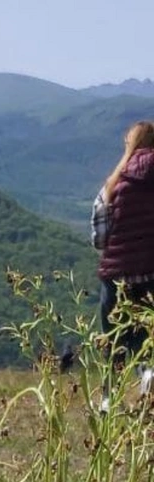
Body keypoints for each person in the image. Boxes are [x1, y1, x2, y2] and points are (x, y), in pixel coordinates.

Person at [93, 121, 154, 370]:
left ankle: (109, 401)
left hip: (116, 277)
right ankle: (147, 399)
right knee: (147, 348)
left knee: (114, 344)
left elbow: (99, 236)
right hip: (152, 276)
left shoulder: (114, 184)